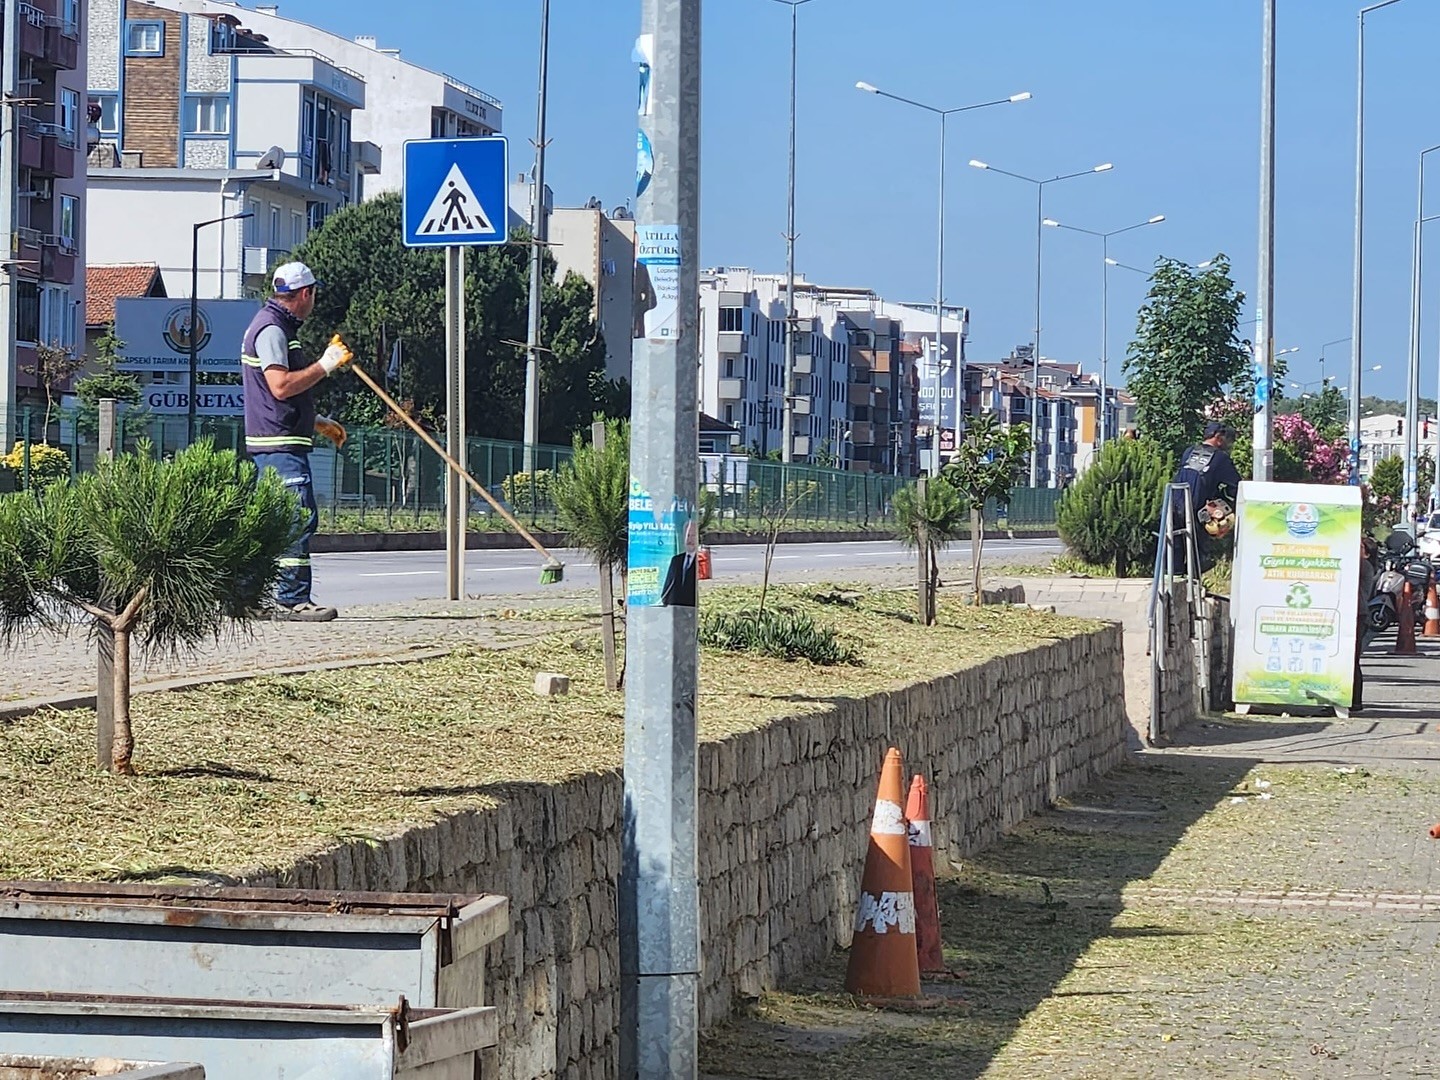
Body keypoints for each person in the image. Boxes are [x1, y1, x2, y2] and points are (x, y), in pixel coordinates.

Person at [241, 262, 352, 621]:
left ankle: (247, 599)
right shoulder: (272, 329)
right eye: (314, 295)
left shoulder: (274, 325)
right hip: (279, 445)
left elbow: (277, 394)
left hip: (275, 439)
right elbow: (280, 386)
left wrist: (315, 421)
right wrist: (325, 365)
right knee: (297, 519)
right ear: (307, 293)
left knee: (267, 522)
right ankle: (292, 600)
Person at [1171, 420, 1242, 570]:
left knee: (1176, 554)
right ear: (1217, 437)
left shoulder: (1189, 451)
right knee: (1200, 557)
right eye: (1224, 437)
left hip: (1174, 506)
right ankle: (1192, 584)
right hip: (1198, 511)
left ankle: (1178, 582)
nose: (1226, 442)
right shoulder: (1220, 458)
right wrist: (1226, 503)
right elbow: (1236, 486)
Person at [660, 521, 699, 608]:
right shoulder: (676, 560)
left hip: (691, 609)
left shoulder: (700, 560)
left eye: (693, 535)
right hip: (675, 608)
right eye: (687, 535)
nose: (690, 539)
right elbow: (668, 585)